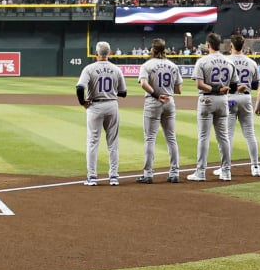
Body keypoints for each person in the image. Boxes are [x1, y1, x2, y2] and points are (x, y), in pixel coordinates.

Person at [76, 41, 127, 186]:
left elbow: (80, 88)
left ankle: (92, 177)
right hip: (112, 105)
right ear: (109, 53)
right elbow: (123, 93)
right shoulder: (116, 69)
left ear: (96, 54)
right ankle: (114, 177)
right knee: (113, 143)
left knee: (92, 142)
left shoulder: (89, 68)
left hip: (95, 106)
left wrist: (82, 103)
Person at [136, 39, 183, 184]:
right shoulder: (173, 65)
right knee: (171, 138)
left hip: (154, 102)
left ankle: (148, 174)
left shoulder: (147, 65)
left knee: (150, 138)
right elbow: (178, 90)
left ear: (153, 50)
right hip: (169, 102)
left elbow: (143, 83)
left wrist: (156, 94)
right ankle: (174, 173)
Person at [188, 34, 234, 182]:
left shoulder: (202, 61)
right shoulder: (229, 62)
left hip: (207, 99)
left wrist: (214, 90)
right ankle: (226, 171)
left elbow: (199, 85)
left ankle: (201, 172)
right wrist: (221, 90)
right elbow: (233, 85)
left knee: (203, 137)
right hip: (223, 101)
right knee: (224, 138)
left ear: (208, 45)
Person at [226, 35, 260, 176]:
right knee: (250, 134)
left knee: (227, 135)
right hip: (246, 99)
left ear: (231, 46)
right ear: (243, 45)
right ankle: (255, 167)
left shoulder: (226, 61)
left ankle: (226, 168)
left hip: (229, 98)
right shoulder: (251, 62)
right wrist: (244, 85)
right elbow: (255, 85)